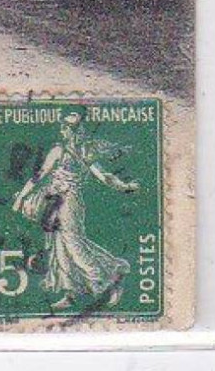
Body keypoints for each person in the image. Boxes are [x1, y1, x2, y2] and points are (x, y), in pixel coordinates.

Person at [9, 112, 138, 310]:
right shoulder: (59, 151)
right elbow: (40, 176)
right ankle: (72, 293)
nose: (62, 130)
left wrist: (125, 186)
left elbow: (103, 176)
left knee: (73, 243)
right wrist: (21, 197)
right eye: (62, 127)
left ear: (73, 131)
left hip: (69, 202)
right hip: (52, 200)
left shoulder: (82, 153)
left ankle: (106, 283)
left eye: (65, 127)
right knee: (59, 245)